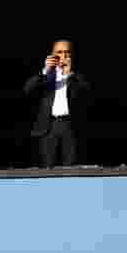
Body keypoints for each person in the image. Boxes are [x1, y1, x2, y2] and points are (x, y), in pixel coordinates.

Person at [23, 39, 93, 168]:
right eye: (59, 52)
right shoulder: (46, 75)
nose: (64, 56)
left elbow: (87, 96)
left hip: (70, 126)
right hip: (48, 127)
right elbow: (28, 90)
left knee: (70, 167)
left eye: (67, 52)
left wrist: (69, 74)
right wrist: (45, 70)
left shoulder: (78, 76)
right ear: (53, 54)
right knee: (47, 168)